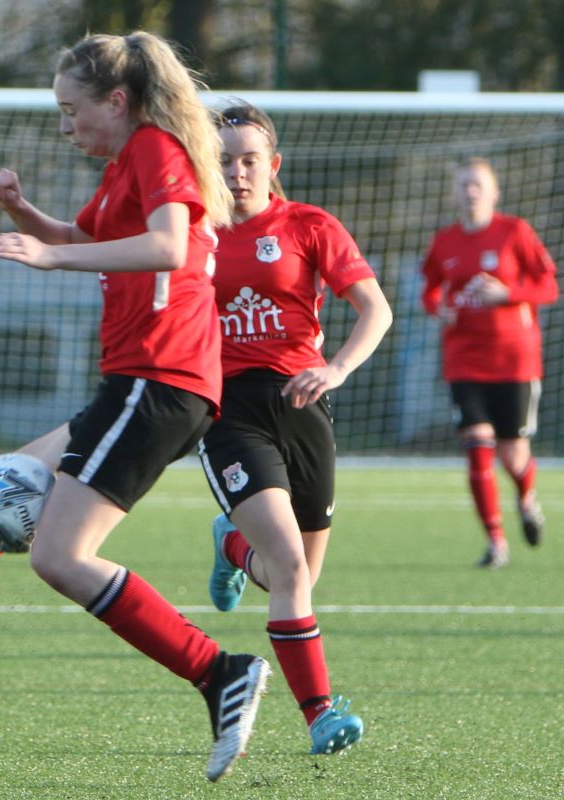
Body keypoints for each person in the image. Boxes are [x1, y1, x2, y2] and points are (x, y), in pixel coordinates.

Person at [0, 31, 270, 783]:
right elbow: (79, 234)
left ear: (116, 102)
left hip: (159, 380)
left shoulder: (159, 150)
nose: (65, 125)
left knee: (63, 558)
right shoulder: (130, 161)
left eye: (72, 109)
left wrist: (52, 257)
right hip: (140, 381)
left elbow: (166, 246)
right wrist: (20, 208)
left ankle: (220, 673)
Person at [196, 103, 392, 755]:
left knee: (300, 577)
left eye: (249, 159)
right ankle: (320, 715)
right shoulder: (190, 234)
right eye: (223, 159)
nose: (237, 170)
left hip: (306, 404)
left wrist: (335, 369)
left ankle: (231, 545)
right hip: (229, 411)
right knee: (287, 568)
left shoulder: (309, 225)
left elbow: (374, 310)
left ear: (272, 164)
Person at [421, 157, 557, 568]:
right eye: (464, 184)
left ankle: (527, 498)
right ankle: (496, 541)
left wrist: (507, 293)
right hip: (464, 361)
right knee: (478, 448)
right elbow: (430, 289)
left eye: (478, 184)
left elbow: (548, 285)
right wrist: (438, 307)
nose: (471, 191)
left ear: (494, 192)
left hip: (515, 361)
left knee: (513, 455)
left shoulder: (515, 232)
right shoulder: (444, 241)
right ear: (455, 193)